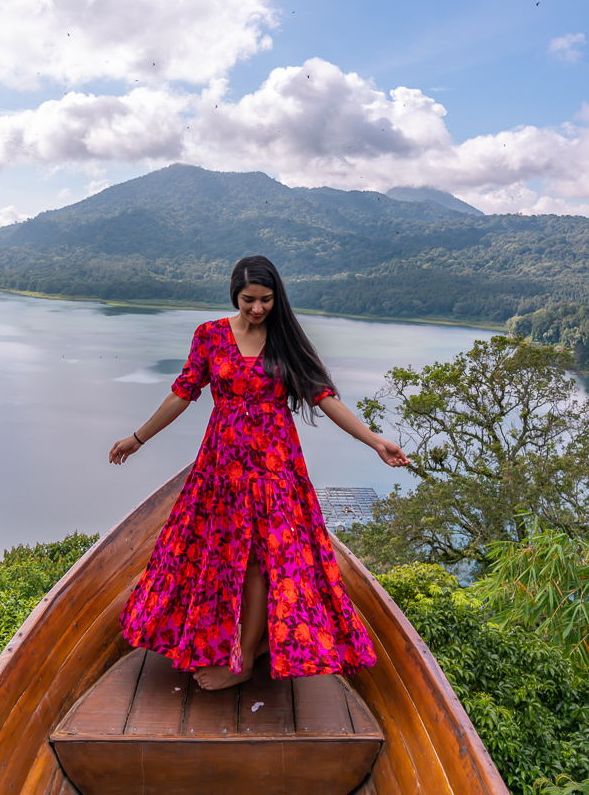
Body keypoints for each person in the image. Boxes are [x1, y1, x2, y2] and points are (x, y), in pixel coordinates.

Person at [109, 255, 410, 691]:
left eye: (266, 300)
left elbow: (324, 397)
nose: (257, 308)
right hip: (221, 467)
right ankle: (239, 641)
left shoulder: (285, 340)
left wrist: (375, 440)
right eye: (248, 299)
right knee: (218, 553)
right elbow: (182, 394)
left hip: (274, 467)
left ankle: (244, 659)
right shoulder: (210, 336)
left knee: (258, 559)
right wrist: (138, 438)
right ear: (235, 294)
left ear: (276, 297)